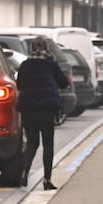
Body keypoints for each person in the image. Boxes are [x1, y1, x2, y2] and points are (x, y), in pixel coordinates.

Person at [15, 37, 70, 190]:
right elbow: (64, 83)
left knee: (32, 143)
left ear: (31, 49)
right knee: (48, 145)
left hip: (28, 109)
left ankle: (24, 174)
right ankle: (47, 180)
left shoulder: (25, 65)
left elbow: (19, 85)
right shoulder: (51, 64)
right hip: (46, 109)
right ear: (47, 48)